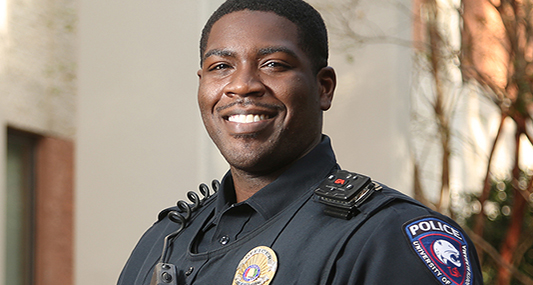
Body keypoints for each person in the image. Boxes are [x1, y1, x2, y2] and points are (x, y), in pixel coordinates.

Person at [118, 0, 483, 284]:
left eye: (273, 64)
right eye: (221, 67)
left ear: (323, 88)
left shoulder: (386, 238)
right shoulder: (165, 238)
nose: (242, 85)